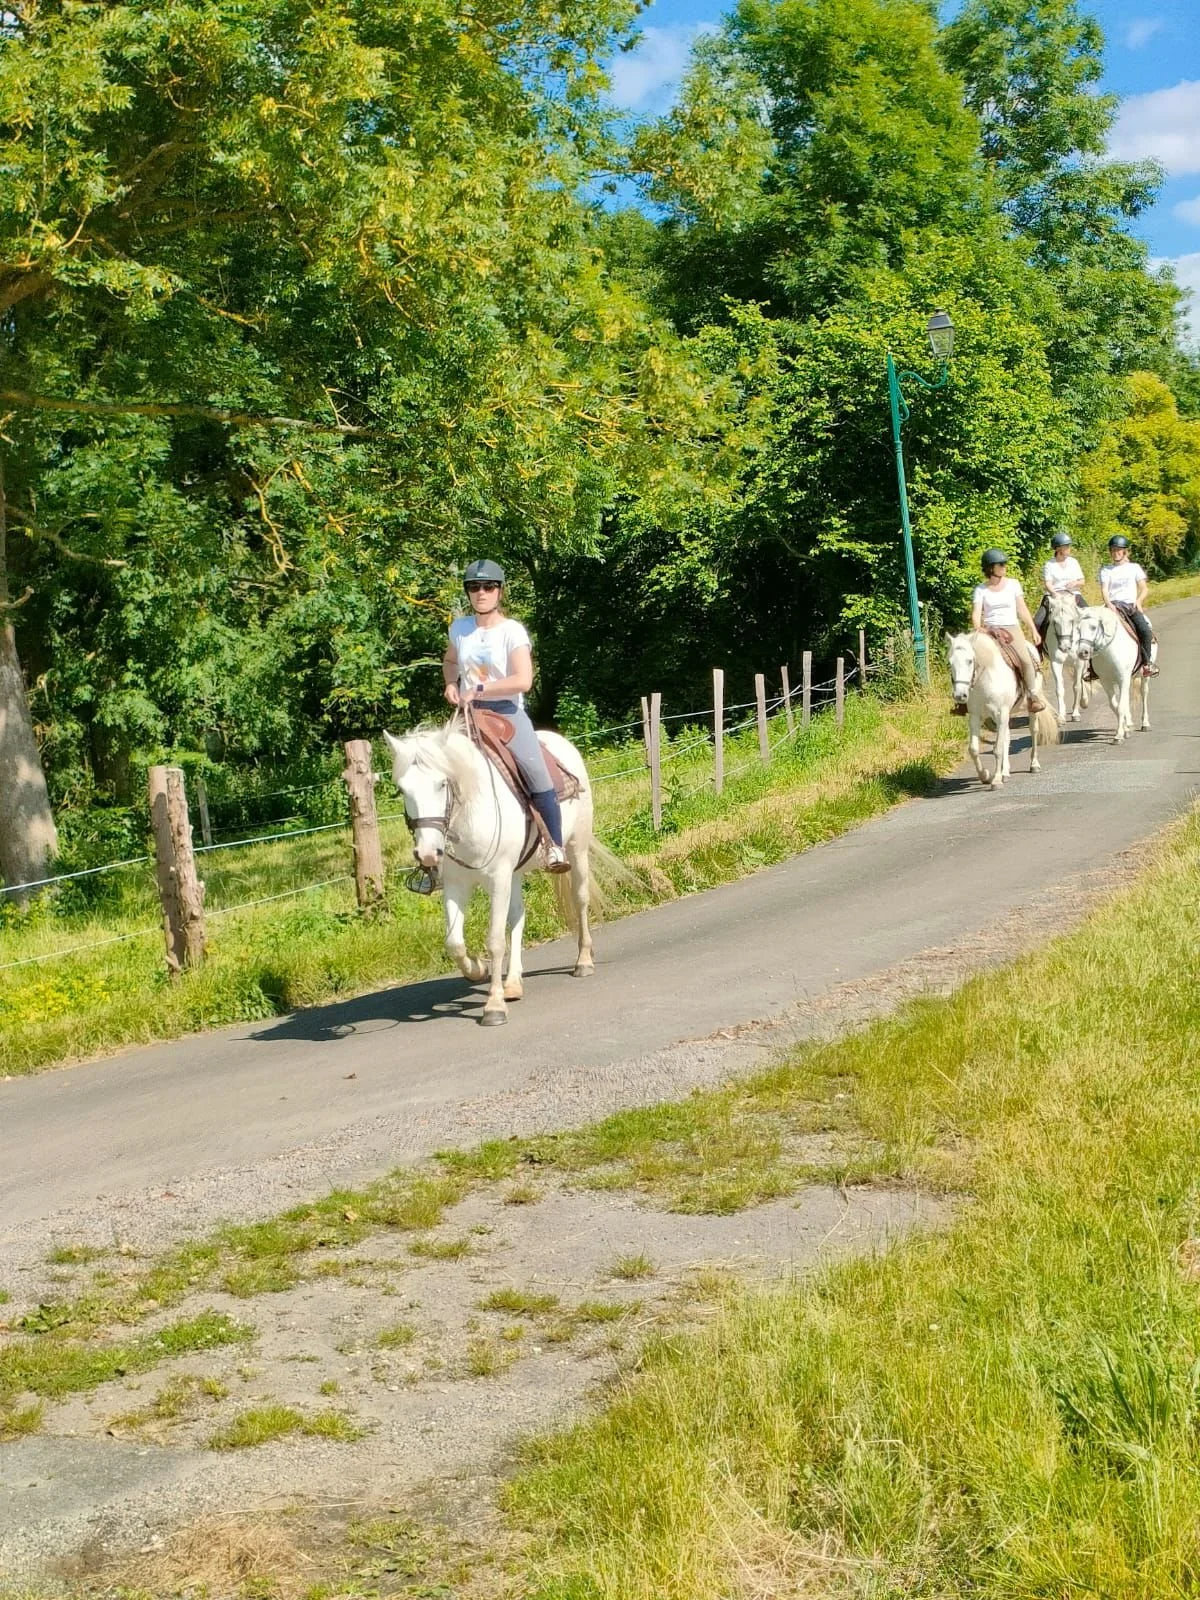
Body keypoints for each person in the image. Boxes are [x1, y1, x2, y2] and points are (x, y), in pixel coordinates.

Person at [443, 559, 570, 872]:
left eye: (488, 587)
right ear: (468, 592)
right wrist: (450, 684)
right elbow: (449, 661)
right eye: (474, 587)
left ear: (500, 591)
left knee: (535, 770)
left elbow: (523, 680)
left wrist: (480, 690)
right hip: (467, 715)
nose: (481, 593)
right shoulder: (459, 629)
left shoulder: (512, 631)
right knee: (435, 771)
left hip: (506, 713)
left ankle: (554, 845)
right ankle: (436, 857)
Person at [970, 548, 1046, 711]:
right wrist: (978, 627)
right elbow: (976, 613)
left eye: (1005, 563)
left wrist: (1033, 629)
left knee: (1025, 660)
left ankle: (1033, 696)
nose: (1005, 567)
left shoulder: (1013, 584)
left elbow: (1022, 609)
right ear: (991, 568)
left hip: (1011, 629)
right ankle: (967, 699)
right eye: (1001, 564)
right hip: (989, 630)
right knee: (968, 659)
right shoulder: (980, 590)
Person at [1099, 535, 1158, 675]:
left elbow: (1144, 588)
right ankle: (1091, 668)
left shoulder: (1134, 568)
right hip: (1112, 605)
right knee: (1092, 630)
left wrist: (1138, 601)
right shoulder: (1106, 570)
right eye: (1113, 550)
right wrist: (1108, 604)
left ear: (1125, 551)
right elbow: (1104, 589)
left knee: (1144, 630)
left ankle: (1147, 663)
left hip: (1130, 606)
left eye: (1118, 550)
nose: (1115, 553)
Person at [1032, 531, 1086, 642]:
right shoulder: (1049, 564)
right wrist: (1054, 593)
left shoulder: (1074, 562)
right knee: (1037, 622)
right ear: (1058, 549)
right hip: (1054, 596)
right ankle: (1038, 649)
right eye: (1066, 546)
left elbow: (1082, 581)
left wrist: (1075, 583)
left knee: (1089, 616)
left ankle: (1089, 649)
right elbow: (1048, 583)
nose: (1069, 548)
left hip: (1073, 594)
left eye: (1068, 546)